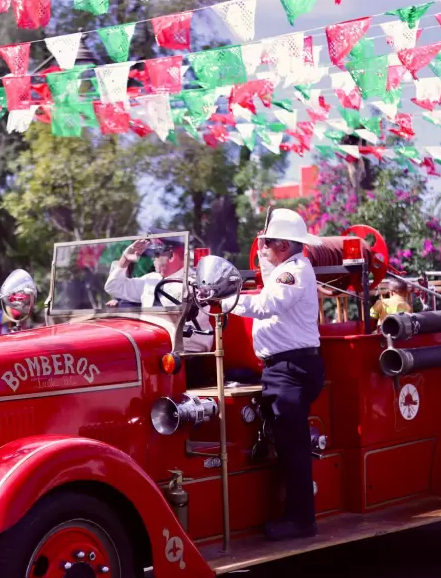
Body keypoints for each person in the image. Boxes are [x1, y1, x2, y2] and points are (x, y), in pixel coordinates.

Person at [221, 208, 325, 541]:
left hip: (291, 369)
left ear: (283, 245)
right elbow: (267, 289)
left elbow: (266, 306)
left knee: (293, 448)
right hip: (284, 369)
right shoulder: (287, 269)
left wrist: (223, 299)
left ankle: (301, 521)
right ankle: (293, 516)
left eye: (266, 242)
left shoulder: (293, 272)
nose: (261, 247)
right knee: (287, 444)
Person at [104, 232, 213, 353]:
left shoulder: (194, 284)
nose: (152, 259)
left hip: (185, 353)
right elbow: (113, 287)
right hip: (151, 346)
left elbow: (190, 333)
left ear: (171, 255)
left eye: (156, 254)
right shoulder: (151, 279)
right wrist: (125, 259)